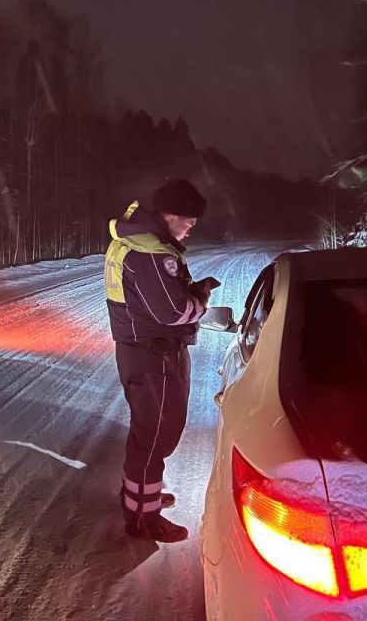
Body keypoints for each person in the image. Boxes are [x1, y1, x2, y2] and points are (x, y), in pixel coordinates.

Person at [104, 179, 215, 542]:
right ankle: (143, 520)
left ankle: (139, 496)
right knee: (156, 436)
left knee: (147, 434)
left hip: (141, 352)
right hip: (156, 356)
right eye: (188, 223)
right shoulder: (151, 254)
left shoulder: (134, 242)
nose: (190, 230)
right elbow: (171, 312)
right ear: (171, 215)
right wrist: (199, 300)